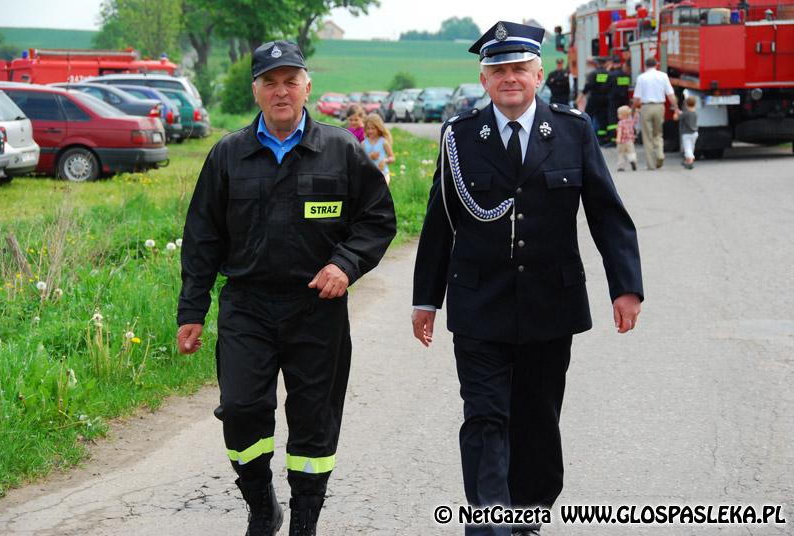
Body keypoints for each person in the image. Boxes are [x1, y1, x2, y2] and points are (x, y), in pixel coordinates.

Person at [411, 20, 644, 536]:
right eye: (498, 70)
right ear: (484, 79)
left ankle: (527, 517)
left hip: (548, 304)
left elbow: (606, 212)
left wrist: (625, 286)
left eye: (519, 68)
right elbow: (439, 221)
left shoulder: (573, 129)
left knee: (537, 420)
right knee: (485, 417)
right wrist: (425, 299)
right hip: (478, 304)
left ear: (539, 74)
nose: (509, 77)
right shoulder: (460, 136)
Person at [176, 40, 396, 536]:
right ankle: (260, 505)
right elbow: (202, 238)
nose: (281, 91)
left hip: (316, 308)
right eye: (270, 82)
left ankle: (305, 524)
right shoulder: (228, 154)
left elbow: (378, 219)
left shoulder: (339, 148)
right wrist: (192, 309)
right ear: (255, 91)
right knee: (241, 410)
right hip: (247, 307)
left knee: (314, 419)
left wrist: (345, 263)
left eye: (290, 81)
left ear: (307, 87)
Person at [633, 57, 679, 169]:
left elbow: (637, 98)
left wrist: (633, 109)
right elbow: (670, 94)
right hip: (659, 106)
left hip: (646, 107)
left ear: (645, 66)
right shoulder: (663, 76)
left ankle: (651, 164)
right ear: (656, 65)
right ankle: (660, 154)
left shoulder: (641, 78)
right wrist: (676, 108)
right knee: (658, 133)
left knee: (647, 136)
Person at [577, 56, 610, 144]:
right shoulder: (608, 74)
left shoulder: (593, 74)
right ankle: (602, 139)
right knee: (603, 118)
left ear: (597, 64)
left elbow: (587, 87)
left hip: (594, 99)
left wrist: (579, 98)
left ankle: (587, 136)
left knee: (588, 116)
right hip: (605, 99)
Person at [362, 113, 395, 185]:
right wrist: (369, 157)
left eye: (373, 128)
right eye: (368, 128)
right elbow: (361, 160)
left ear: (379, 128)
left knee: (382, 192)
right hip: (369, 174)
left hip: (383, 173)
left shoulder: (383, 142)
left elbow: (392, 157)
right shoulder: (363, 143)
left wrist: (385, 160)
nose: (370, 131)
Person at [605, 56, 631, 143]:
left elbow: (605, 87)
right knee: (624, 119)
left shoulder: (611, 75)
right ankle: (626, 137)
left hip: (613, 100)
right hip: (624, 100)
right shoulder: (626, 75)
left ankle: (613, 139)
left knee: (613, 119)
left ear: (613, 64)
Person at [615, 105, 638, 171]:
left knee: (621, 154)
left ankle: (621, 166)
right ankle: (632, 160)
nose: (617, 115)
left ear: (622, 115)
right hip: (630, 141)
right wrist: (636, 112)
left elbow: (619, 131)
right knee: (631, 152)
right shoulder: (631, 121)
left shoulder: (620, 123)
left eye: (618, 114)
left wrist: (618, 138)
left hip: (622, 142)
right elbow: (636, 118)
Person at [679, 95, 698, 169]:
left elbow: (677, 117)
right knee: (692, 147)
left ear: (686, 104)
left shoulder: (685, 113)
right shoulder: (695, 113)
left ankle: (690, 160)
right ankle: (688, 160)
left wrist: (676, 113)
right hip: (695, 133)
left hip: (686, 133)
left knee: (687, 147)